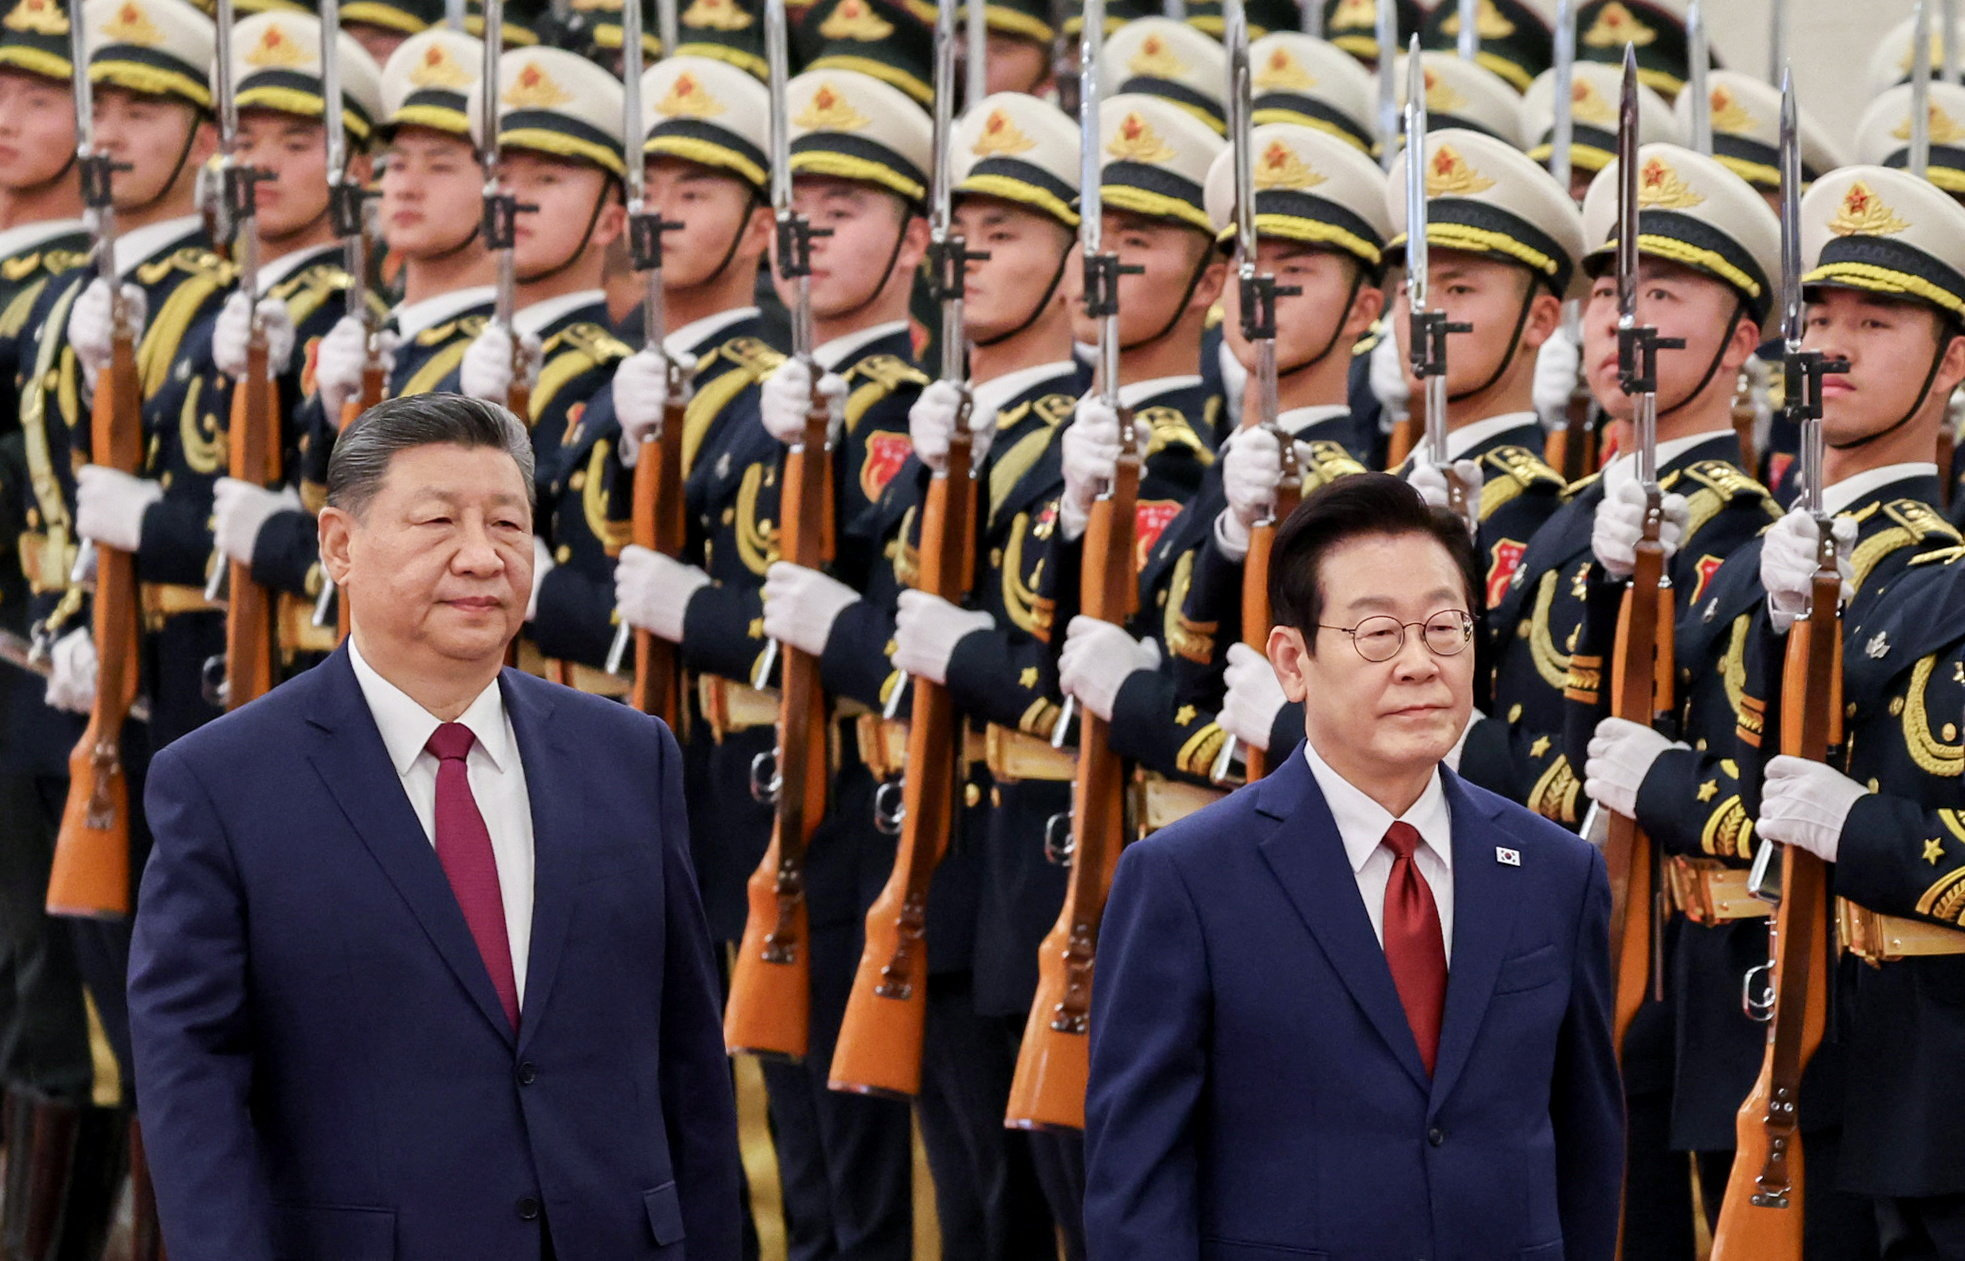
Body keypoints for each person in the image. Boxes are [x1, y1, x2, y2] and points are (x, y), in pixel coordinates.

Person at [127, 392, 743, 1261]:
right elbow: (192, 1085)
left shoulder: (628, 756)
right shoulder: (223, 783)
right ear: (340, 545)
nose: (481, 557)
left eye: (508, 523)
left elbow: (689, 1062)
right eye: (438, 522)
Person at [1084, 472, 1621, 1260]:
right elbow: (1136, 1185)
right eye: (1376, 634)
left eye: (1444, 627)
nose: (1417, 663)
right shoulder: (1187, 880)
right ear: (1292, 662)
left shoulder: (1553, 870)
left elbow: (1587, 1151)